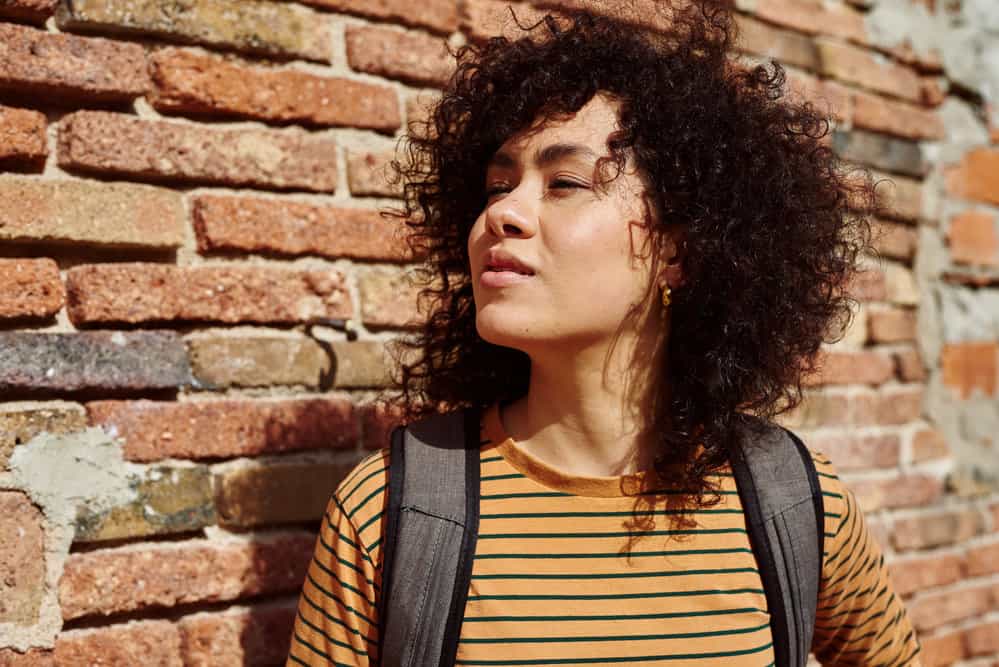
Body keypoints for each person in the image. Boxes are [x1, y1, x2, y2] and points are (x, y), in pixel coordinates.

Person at [287, 2, 920, 665]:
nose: (503, 211)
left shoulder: (792, 500)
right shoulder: (390, 512)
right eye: (496, 185)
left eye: (562, 182)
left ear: (679, 248)